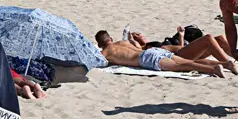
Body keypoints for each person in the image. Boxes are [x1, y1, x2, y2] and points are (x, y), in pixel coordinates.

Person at [95, 30, 227, 77]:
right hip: (152, 51)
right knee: (189, 62)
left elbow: (97, 61)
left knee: (183, 66)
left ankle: (214, 70)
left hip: (146, 58)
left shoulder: (105, 52)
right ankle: (225, 64)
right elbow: (136, 45)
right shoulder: (123, 42)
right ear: (110, 38)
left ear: (101, 44)